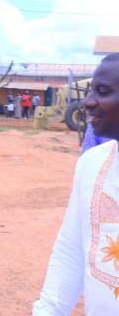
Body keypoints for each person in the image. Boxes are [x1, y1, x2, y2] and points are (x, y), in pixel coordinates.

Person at [32, 53, 119, 315]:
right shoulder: (91, 164)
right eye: (91, 90)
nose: (88, 102)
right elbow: (71, 249)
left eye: (102, 91)